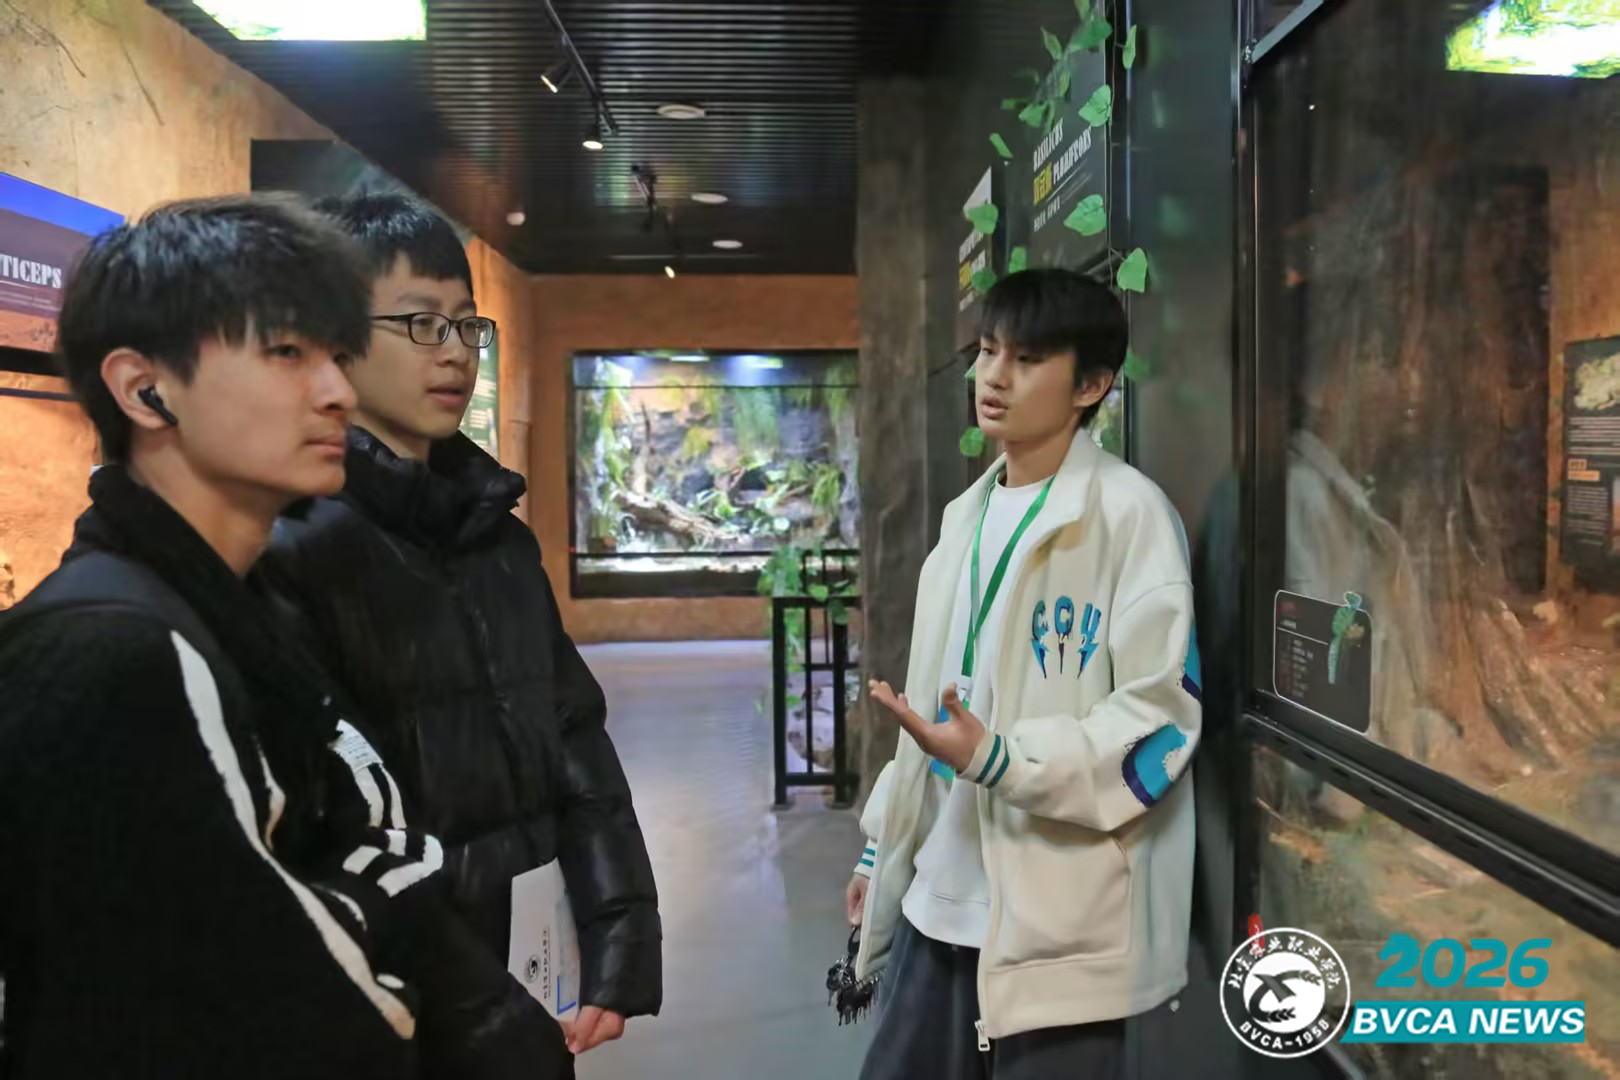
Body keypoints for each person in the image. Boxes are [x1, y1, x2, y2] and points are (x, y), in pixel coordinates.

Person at [0, 194, 570, 1078]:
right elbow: (258, 1000)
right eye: (286, 353)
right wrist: (373, 904)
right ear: (145, 388)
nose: (337, 391)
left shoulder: (235, 607)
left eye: (336, 354)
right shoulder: (116, 653)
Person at [261, 193, 662, 1057]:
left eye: (465, 326)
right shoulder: (295, 547)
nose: (454, 352)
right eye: (420, 323)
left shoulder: (499, 542)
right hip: (401, 993)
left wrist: (619, 939)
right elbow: (323, 827)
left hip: (531, 967)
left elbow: (574, 737)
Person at [846, 269, 1202, 1079]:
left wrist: (1000, 758)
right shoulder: (964, 518)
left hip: (1060, 933)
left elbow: (1160, 721)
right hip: (937, 899)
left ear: (1092, 385)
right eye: (988, 351)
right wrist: (879, 850)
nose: (994, 377)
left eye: (1028, 359)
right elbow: (934, 712)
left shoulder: (1130, 516)